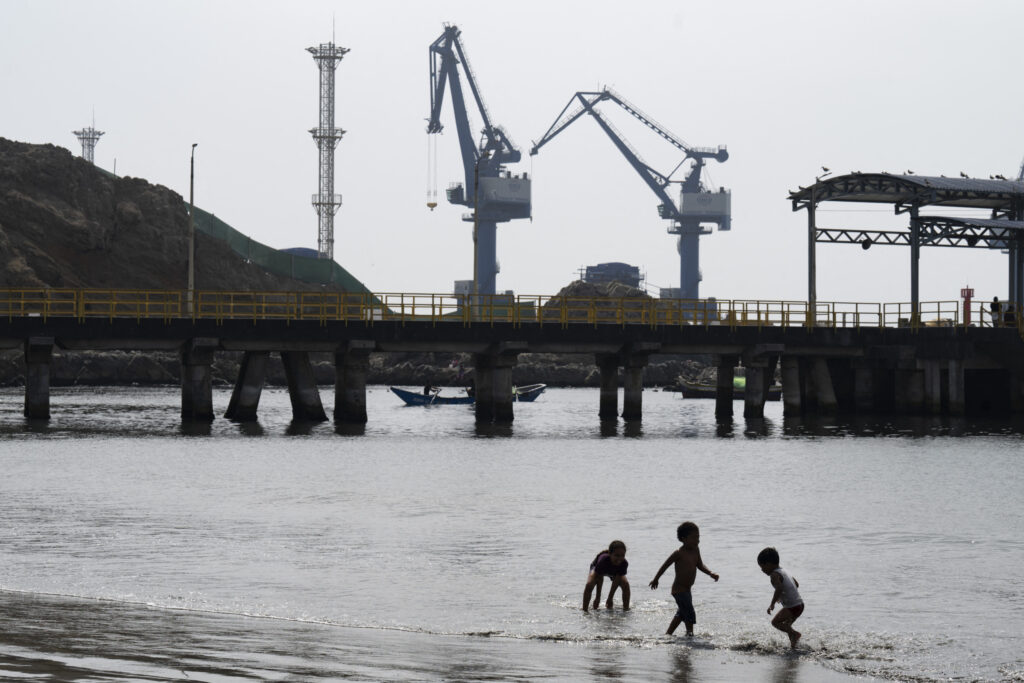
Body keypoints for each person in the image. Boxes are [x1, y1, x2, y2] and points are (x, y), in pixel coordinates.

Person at [649, 521, 719, 635]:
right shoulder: (679, 553)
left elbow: (700, 565)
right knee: (689, 612)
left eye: (698, 537)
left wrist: (710, 573)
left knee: (682, 613)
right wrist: (656, 579)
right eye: (694, 537)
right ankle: (689, 634)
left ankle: (668, 634)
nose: (698, 540)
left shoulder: (696, 550)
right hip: (679, 590)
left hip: (687, 589)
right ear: (684, 539)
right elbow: (665, 566)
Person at [757, 546, 804, 649]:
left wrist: (772, 603)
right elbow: (796, 584)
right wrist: (783, 596)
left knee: (775, 622)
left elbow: (779, 588)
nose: (762, 570)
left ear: (768, 564)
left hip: (792, 607)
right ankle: (794, 645)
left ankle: (795, 634)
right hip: (800, 605)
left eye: (762, 566)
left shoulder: (774, 575)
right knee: (786, 626)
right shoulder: (784, 570)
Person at [582, 540, 630, 611]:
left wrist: (610, 598)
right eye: (616, 555)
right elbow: (599, 578)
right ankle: (584, 610)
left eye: (622, 555)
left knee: (625, 584)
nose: (619, 558)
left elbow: (617, 580)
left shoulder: (624, 563)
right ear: (610, 554)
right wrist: (598, 598)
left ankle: (626, 609)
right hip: (597, 569)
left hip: (614, 572)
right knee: (589, 584)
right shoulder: (603, 560)